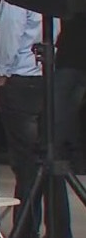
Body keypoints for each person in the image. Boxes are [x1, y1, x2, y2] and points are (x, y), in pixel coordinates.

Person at [0, 0, 71, 238]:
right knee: (50, 158)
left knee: (26, 164)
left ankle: (26, 229)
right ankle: (59, 230)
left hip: (21, 80)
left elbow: (10, 34)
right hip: (46, 77)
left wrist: (1, 72)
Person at [54, 12, 86, 175]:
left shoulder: (67, 6)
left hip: (67, 63)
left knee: (60, 115)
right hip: (77, 63)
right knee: (70, 114)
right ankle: (76, 159)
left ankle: (58, 158)